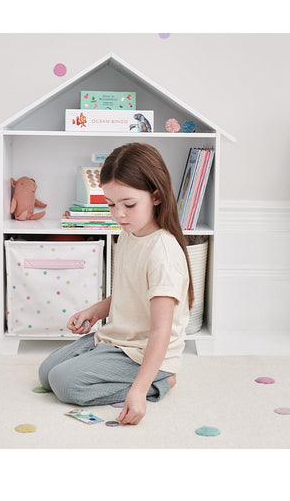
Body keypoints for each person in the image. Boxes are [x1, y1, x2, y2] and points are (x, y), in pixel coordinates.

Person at [39, 143, 194, 425]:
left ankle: (161, 381)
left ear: (156, 196)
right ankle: (110, 362)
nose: (118, 214)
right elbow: (128, 293)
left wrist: (138, 390)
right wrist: (95, 311)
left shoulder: (162, 252)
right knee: (46, 372)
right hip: (116, 340)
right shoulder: (129, 234)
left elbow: (160, 331)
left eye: (129, 204)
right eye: (111, 204)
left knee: (63, 383)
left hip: (143, 352)